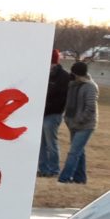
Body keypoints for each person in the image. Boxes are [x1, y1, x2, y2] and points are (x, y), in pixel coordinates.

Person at [59, 60, 99, 184]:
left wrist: (79, 120)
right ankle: (80, 178)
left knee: (74, 152)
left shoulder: (90, 87)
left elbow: (90, 107)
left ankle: (64, 178)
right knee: (79, 152)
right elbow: (68, 102)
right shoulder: (73, 85)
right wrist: (68, 119)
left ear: (78, 74)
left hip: (85, 125)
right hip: (72, 123)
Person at [38, 49, 69, 177]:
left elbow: (62, 99)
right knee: (42, 144)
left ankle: (54, 169)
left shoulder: (64, 77)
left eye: (51, 64)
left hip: (53, 114)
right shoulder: (43, 74)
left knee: (51, 143)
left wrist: (48, 108)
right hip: (42, 114)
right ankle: (43, 168)